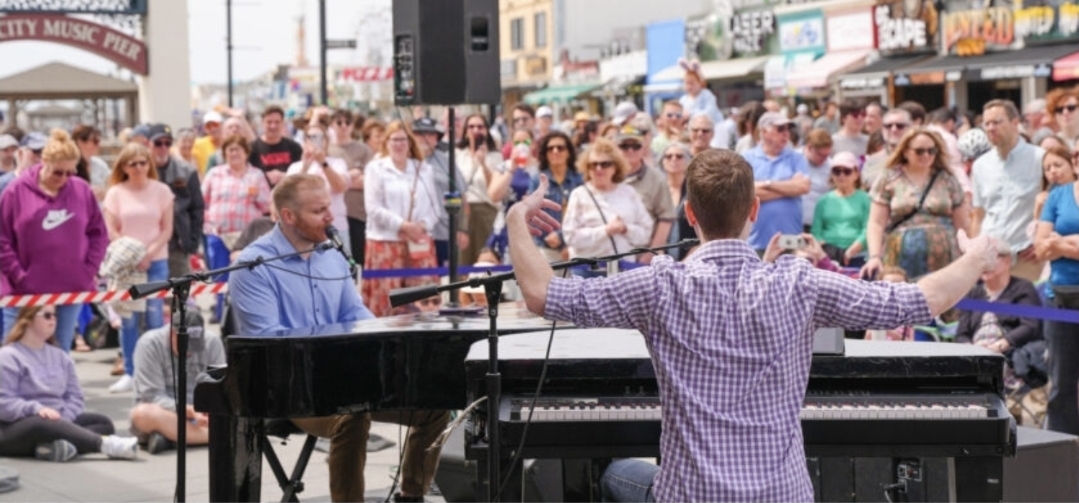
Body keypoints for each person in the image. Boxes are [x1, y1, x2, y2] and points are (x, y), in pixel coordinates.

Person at [505, 148, 1002, 502]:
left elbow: (543, 294)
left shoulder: (659, 286)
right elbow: (915, 301)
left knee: (616, 474)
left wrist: (515, 223)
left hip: (692, 496)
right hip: (781, 494)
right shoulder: (799, 284)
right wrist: (976, 257)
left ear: (690, 213)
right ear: (754, 211)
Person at [228, 174, 447, 503]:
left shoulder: (332, 256)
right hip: (291, 389)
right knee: (352, 416)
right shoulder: (253, 265)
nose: (330, 217)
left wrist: (386, 334)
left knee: (436, 404)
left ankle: (411, 496)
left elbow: (353, 315)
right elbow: (269, 344)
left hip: (344, 379)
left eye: (329, 207)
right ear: (288, 216)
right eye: (319, 210)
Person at [0, 129, 108, 352]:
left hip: (70, 286)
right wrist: (19, 275)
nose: (64, 179)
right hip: (24, 290)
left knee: (60, 352)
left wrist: (88, 270)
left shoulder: (81, 190)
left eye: (71, 172)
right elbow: (2, 239)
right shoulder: (15, 192)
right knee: (15, 354)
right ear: (43, 162)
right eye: (58, 172)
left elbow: (98, 233)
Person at [0, 306, 138, 462]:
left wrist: (64, 419)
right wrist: (37, 409)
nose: (53, 319)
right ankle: (103, 444)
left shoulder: (60, 355)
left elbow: (75, 395)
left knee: (102, 423)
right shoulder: (8, 356)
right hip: (15, 425)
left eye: (55, 315)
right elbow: (4, 403)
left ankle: (53, 447)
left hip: (57, 417)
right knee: (42, 423)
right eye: (47, 315)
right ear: (28, 319)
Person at [103, 142, 175, 393]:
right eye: (132, 164)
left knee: (155, 317)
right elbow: (112, 229)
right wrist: (132, 254)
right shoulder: (115, 193)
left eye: (143, 163)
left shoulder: (162, 191)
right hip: (127, 264)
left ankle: (157, 372)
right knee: (129, 319)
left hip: (156, 261)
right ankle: (131, 372)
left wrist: (149, 252)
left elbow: (167, 229)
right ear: (124, 166)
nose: (138, 168)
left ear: (149, 164)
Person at [861, 128, 968, 280]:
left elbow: (962, 224)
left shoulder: (947, 178)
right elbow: (876, 223)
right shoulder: (890, 178)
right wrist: (874, 256)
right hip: (900, 255)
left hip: (945, 256)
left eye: (931, 151)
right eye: (920, 151)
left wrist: (967, 255)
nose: (926, 155)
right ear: (905, 152)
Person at [362, 122, 441, 317]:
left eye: (403, 139)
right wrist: (403, 225)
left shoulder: (424, 169)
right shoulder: (376, 168)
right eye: (394, 139)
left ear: (410, 142)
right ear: (386, 142)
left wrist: (422, 226)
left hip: (418, 243)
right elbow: (373, 208)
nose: (399, 144)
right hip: (385, 244)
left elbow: (434, 208)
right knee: (387, 302)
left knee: (422, 303)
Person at [130, 309, 225, 454]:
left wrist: (208, 409)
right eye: (186, 344)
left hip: (201, 414)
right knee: (142, 413)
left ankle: (174, 438)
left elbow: (220, 386)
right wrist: (187, 410)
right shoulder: (149, 344)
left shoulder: (212, 342)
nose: (190, 351)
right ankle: (213, 436)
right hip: (168, 413)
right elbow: (151, 395)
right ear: (172, 333)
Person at [971, 99, 1046, 283]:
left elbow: (1054, 204)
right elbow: (978, 215)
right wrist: (973, 252)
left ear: (1015, 123)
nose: (990, 128)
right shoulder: (980, 165)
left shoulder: (1039, 158)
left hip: (1026, 257)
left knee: (1027, 311)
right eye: (986, 123)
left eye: (996, 122)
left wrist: (1042, 244)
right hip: (990, 259)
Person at [745, 112, 811, 253]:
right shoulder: (747, 158)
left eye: (788, 129)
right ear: (764, 131)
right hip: (756, 242)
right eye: (780, 129)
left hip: (791, 240)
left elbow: (803, 187)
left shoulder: (796, 158)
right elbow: (746, 193)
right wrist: (789, 189)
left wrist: (766, 184)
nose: (786, 134)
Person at [811, 151, 870, 267]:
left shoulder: (865, 199)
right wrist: (827, 251)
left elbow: (867, 230)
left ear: (856, 174)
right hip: (828, 256)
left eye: (847, 171)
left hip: (857, 256)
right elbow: (816, 231)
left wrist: (850, 251)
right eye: (837, 172)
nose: (841, 176)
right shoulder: (824, 200)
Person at [249, 105, 303, 188]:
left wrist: (285, 176)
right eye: (269, 122)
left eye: (277, 122)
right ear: (262, 123)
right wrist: (265, 176)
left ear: (282, 123)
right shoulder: (252, 148)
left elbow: (300, 172)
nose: (273, 126)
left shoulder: (294, 147)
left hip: (287, 191)